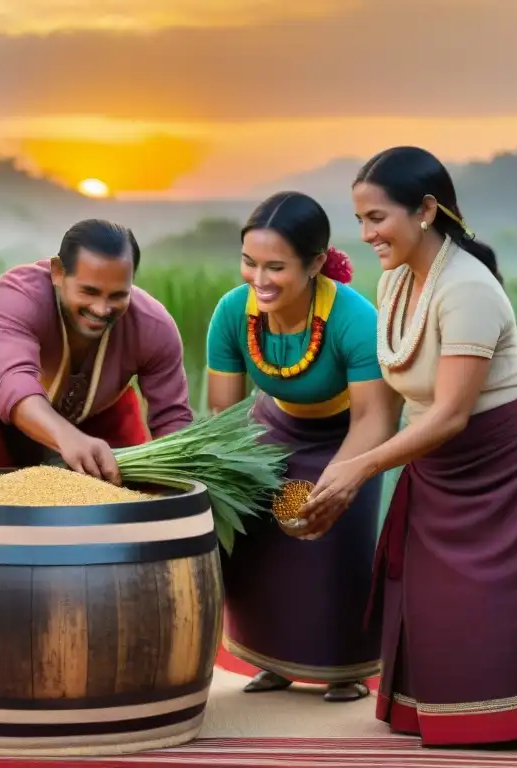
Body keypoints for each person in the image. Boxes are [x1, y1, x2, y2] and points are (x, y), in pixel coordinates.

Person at [300, 146, 517, 745]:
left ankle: (513, 718)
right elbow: (384, 409)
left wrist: (362, 472)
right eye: (359, 220)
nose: (366, 234)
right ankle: (451, 714)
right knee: (433, 607)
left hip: (505, 469)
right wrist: (331, 482)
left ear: (427, 210)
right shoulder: (392, 284)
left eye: (377, 218)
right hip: (436, 467)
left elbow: (451, 415)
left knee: (491, 604)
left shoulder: (468, 289)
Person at [206, 191, 399, 702]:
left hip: (349, 437)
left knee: (334, 549)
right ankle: (271, 659)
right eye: (249, 263)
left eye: (276, 267)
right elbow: (224, 415)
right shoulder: (232, 313)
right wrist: (233, 475)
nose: (259, 280)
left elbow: (375, 417)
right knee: (260, 547)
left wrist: (336, 484)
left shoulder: (353, 319)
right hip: (269, 433)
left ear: (316, 263)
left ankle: (345, 669)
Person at [0, 219, 193, 480]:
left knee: (124, 501)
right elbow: (14, 382)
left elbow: (172, 419)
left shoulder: (154, 326)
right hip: (18, 415)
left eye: (117, 295)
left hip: (105, 409)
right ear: (57, 272)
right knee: (8, 504)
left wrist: (179, 476)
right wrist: (67, 436)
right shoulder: (19, 292)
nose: (101, 309)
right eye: (88, 291)